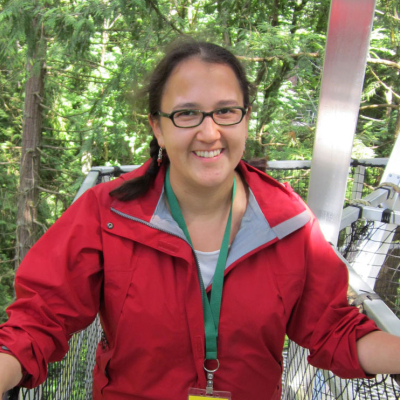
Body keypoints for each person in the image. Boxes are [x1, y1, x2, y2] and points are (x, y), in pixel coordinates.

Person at [0, 39, 399, 400]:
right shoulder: (106, 214)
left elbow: (333, 330)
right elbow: (39, 319)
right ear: (157, 126)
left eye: (225, 111)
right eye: (187, 114)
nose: (210, 132)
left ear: (244, 119)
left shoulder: (289, 224)